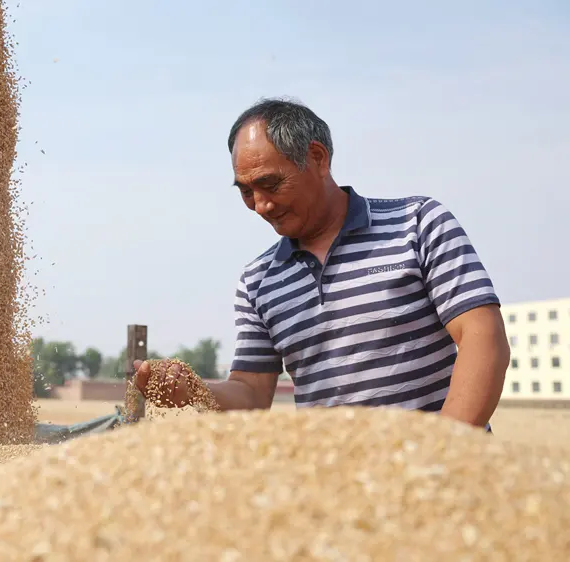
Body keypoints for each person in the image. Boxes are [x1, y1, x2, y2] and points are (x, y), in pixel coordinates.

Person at [135, 97, 509, 429]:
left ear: (318, 158)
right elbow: (251, 392)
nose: (261, 205)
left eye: (271, 184)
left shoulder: (418, 223)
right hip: (334, 487)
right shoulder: (258, 281)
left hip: (444, 479)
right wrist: (195, 390)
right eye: (247, 192)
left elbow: (482, 337)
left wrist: (441, 452)